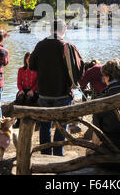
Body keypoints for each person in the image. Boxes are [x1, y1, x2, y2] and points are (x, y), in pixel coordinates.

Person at [29, 19, 84, 156]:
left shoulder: (40, 45)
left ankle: (46, 154)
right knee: (61, 127)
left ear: (50, 30)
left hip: (44, 93)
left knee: (45, 126)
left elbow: (31, 66)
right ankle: (58, 154)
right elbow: (80, 70)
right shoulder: (68, 46)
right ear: (64, 30)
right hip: (63, 93)